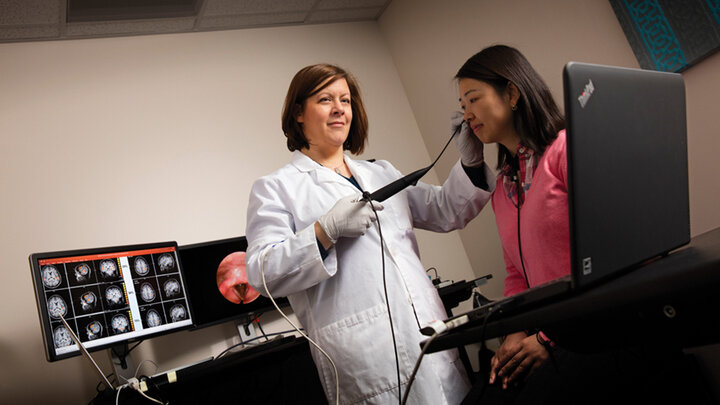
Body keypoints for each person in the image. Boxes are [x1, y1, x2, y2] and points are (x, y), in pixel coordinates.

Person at [455, 45, 703, 404]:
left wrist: (548, 340)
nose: (467, 115)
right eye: (462, 107)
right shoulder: (503, 189)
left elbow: (629, 251)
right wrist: (514, 332)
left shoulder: (566, 150)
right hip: (556, 335)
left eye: (473, 99)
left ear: (511, 93)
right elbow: (516, 276)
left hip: (608, 329)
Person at [244, 63, 494, 404]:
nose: (338, 109)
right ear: (299, 113)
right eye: (325, 99)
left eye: (345, 100)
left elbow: (444, 210)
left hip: (430, 338)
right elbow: (262, 272)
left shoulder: (380, 173)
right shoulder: (276, 188)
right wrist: (325, 230)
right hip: (365, 360)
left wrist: (471, 161)